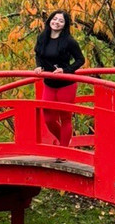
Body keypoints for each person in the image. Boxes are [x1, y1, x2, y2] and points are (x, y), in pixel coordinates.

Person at [34, 10, 85, 148]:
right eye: (54, 19)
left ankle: (63, 150)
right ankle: (65, 141)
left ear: (65, 25)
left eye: (61, 21)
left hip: (66, 84)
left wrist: (65, 70)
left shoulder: (69, 41)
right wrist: (39, 67)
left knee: (65, 117)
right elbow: (38, 54)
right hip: (49, 83)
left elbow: (80, 60)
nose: (56, 22)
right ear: (50, 20)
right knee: (48, 118)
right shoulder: (42, 37)